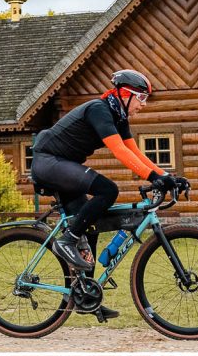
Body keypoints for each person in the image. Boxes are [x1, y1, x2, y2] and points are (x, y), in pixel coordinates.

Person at [31, 69, 186, 321]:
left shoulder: (119, 117)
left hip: (64, 165)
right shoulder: (99, 110)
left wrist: (167, 176)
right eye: (141, 98)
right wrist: (154, 178)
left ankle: (85, 297)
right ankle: (66, 241)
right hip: (50, 162)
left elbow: (135, 152)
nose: (143, 105)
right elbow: (119, 152)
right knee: (108, 189)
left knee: (89, 226)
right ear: (125, 94)